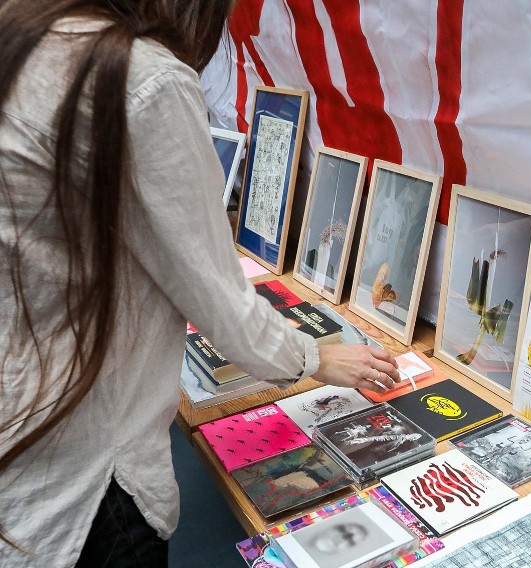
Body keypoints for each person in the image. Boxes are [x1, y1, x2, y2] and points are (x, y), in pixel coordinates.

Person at [0, 1, 400, 566]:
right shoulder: (139, 76)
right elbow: (218, 299)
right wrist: (316, 358)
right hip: (87, 483)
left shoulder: (25, 37)